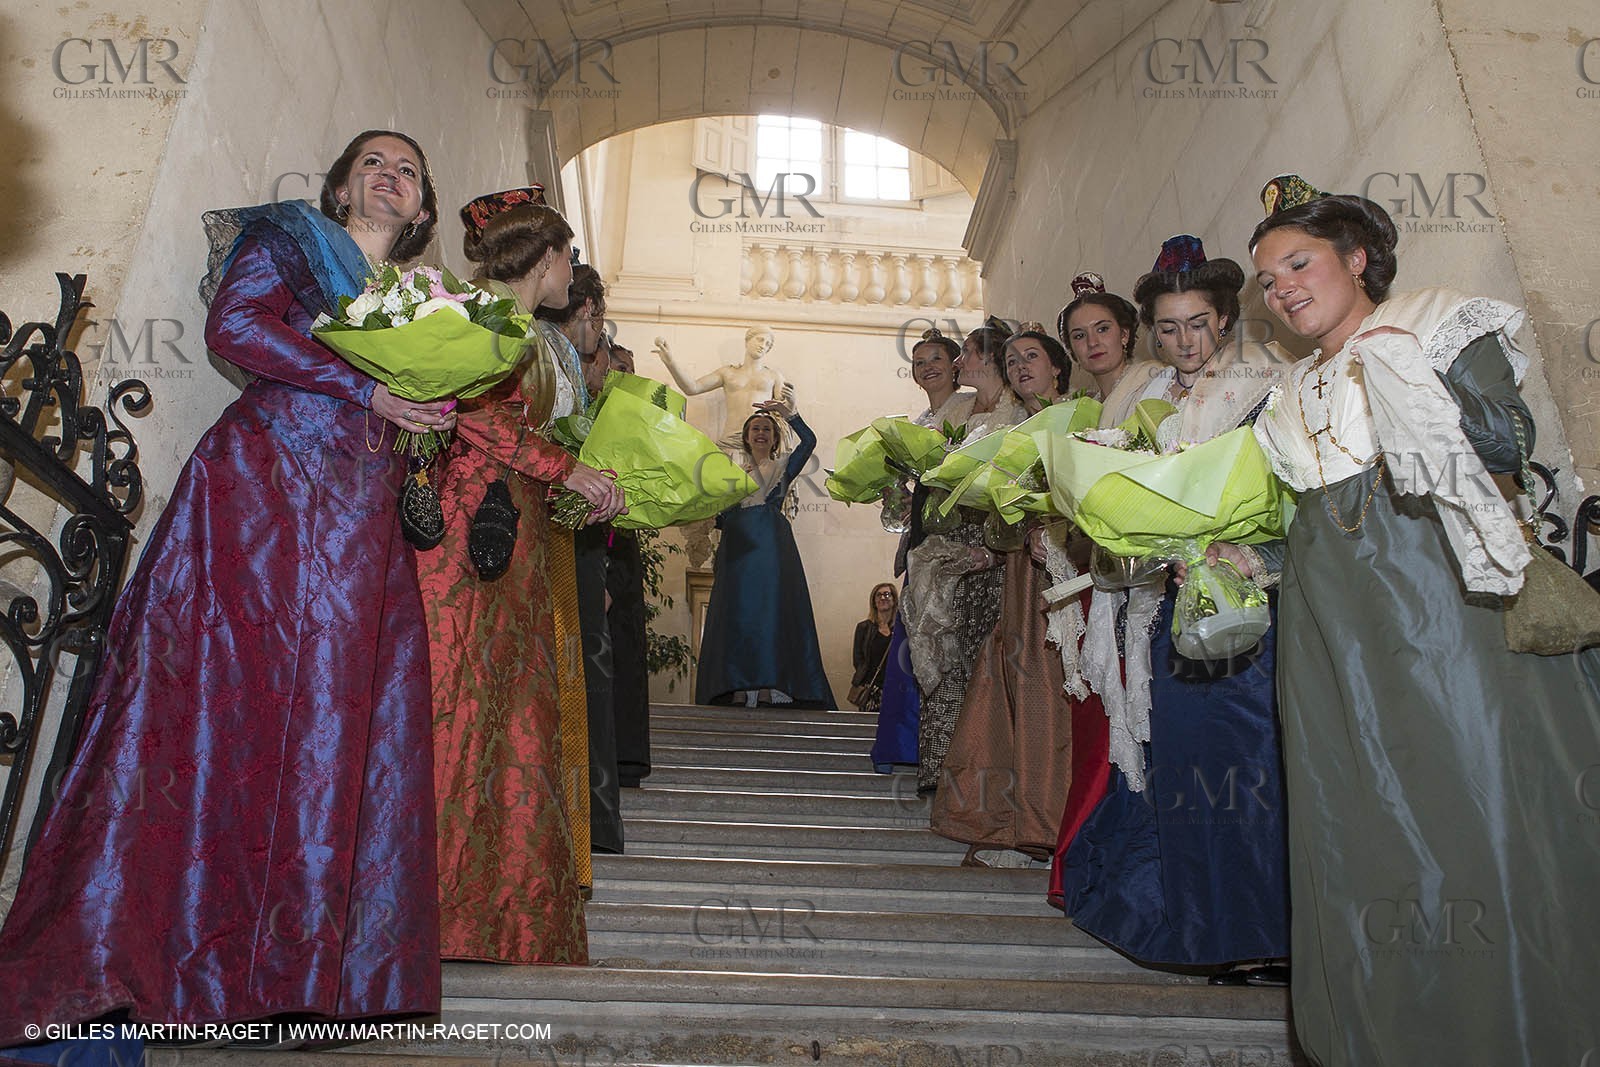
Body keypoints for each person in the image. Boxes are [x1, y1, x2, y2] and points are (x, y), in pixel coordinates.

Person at [0, 131, 451, 1038]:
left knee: (339, 731)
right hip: (264, 497)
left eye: (407, 170)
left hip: (361, 527)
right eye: (372, 163)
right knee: (232, 708)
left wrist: (426, 415)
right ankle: (192, 971)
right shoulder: (290, 236)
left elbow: (416, 410)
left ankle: (312, 983)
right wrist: (365, 391)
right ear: (338, 188)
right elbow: (234, 327)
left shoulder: (426, 303)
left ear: (423, 211)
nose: (390, 176)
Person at [1248, 175, 1600, 1065]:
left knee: (1480, 813)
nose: (1282, 286)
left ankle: (1522, 1030)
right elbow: (1306, 526)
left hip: (1448, 617)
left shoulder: (1434, 321)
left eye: (1299, 262)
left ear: (1356, 258)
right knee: (1356, 823)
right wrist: (1246, 561)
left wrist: (1416, 385)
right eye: (1267, 278)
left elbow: (1508, 441)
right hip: (1333, 644)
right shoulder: (1285, 395)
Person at [1059, 236, 1294, 979]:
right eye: (1167, 326)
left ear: (1224, 319)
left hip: (1242, 606)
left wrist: (1240, 549)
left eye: (1197, 322)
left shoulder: (1266, 387)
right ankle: (1205, 927)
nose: (1183, 340)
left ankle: (1264, 932)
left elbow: (1291, 499)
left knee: (1247, 764)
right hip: (1171, 606)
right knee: (1182, 763)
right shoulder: (1154, 405)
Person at [419, 188, 624, 965]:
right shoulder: (474, 311)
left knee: (508, 715)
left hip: (522, 542)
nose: (572, 269)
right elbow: (475, 415)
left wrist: (580, 487)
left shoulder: (530, 335)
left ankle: (491, 907)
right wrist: (565, 467)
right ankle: (435, 906)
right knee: (459, 705)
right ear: (544, 257)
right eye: (568, 255)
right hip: (470, 539)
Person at [931, 324, 1082, 865]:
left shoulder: (1083, 417)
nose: (1020, 366)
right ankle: (1008, 819)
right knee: (1012, 681)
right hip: (1022, 565)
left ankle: (1049, 821)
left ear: (1057, 368)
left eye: (1032, 357)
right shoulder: (1013, 426)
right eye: (1012, 359)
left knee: (1050, 685)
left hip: (1070, 567)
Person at [1045, 273, 1141, 905]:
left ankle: (1127, 867)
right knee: (1099, 719)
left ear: (1127, 332)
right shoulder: (1091, 410)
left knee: (1128, 717)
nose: (1091, 342)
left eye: (1102, 328)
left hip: (1145, 579)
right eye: (1079, 336)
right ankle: (1099, 859)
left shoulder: (1151, 388)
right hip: (1105, 578)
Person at [901, 320, 1027, 793]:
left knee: (986, 660)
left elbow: (1023, 486)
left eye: (967, 353)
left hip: (990, 550)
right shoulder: (961, 411)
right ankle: (944, 777)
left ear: (991, 359)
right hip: (948, 549)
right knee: (941, 653)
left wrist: (994, 549)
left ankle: (985, 779)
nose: (957, 363)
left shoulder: (1016, 415)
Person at [535, 264, 624, 860]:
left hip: (573, 531)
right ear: (586, 308)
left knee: (583, 669)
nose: (604, 340)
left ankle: (583, 819)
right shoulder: (542, 350)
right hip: (548, 529)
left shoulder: (564, 358)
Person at [871, 328, 975, 772]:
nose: (927, 367)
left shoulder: (974, 410)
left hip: (964, 536)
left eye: (935, 358)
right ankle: (904, 744)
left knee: (952, 638)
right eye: (918, 362)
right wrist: (891, 484)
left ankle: (955, 749)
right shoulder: (913, 426)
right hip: (921, 539)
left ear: (956, 365)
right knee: (912, 639)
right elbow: (897, 509)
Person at [695, 401, 836, 708]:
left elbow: (809, 441)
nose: (761, 433)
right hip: (736, 545)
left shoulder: (784, 464)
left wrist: (790, 415)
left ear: (774, 438)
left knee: (769, 612)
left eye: (767, 429)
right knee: (738, 614)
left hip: (771, 546)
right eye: (755, 428)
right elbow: (718, 511)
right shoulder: (729, 469)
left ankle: (770, 683)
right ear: (746, 436)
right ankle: (737, 684)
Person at [600, 340, 652, 789]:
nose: (625, 375)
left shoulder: (636, 426)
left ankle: (627, 757)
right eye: (619, 366)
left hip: (622, 543)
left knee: (626, 645)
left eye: (632, 369)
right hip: (595, 540)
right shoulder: (589, 415)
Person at [654, 326, 788, 452]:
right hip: (730, 439)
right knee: (727, 476)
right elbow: (692, 388)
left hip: (760, 442)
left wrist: (790, 402)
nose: (763, 345)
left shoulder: (774, 376)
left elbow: (786, 412)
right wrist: (670, 362)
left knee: (759, 477)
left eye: (768, 344)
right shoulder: (728, 373)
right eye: (760, 339)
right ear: (747, 341)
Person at [851, 583, 898, 714]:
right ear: (874, 601)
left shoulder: (901, 629)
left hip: (895, 688)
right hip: (871, 688)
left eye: (887, 594)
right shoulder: (864, 628)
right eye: (879, 595)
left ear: (894, 600)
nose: (883, 598)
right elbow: (858, 659)